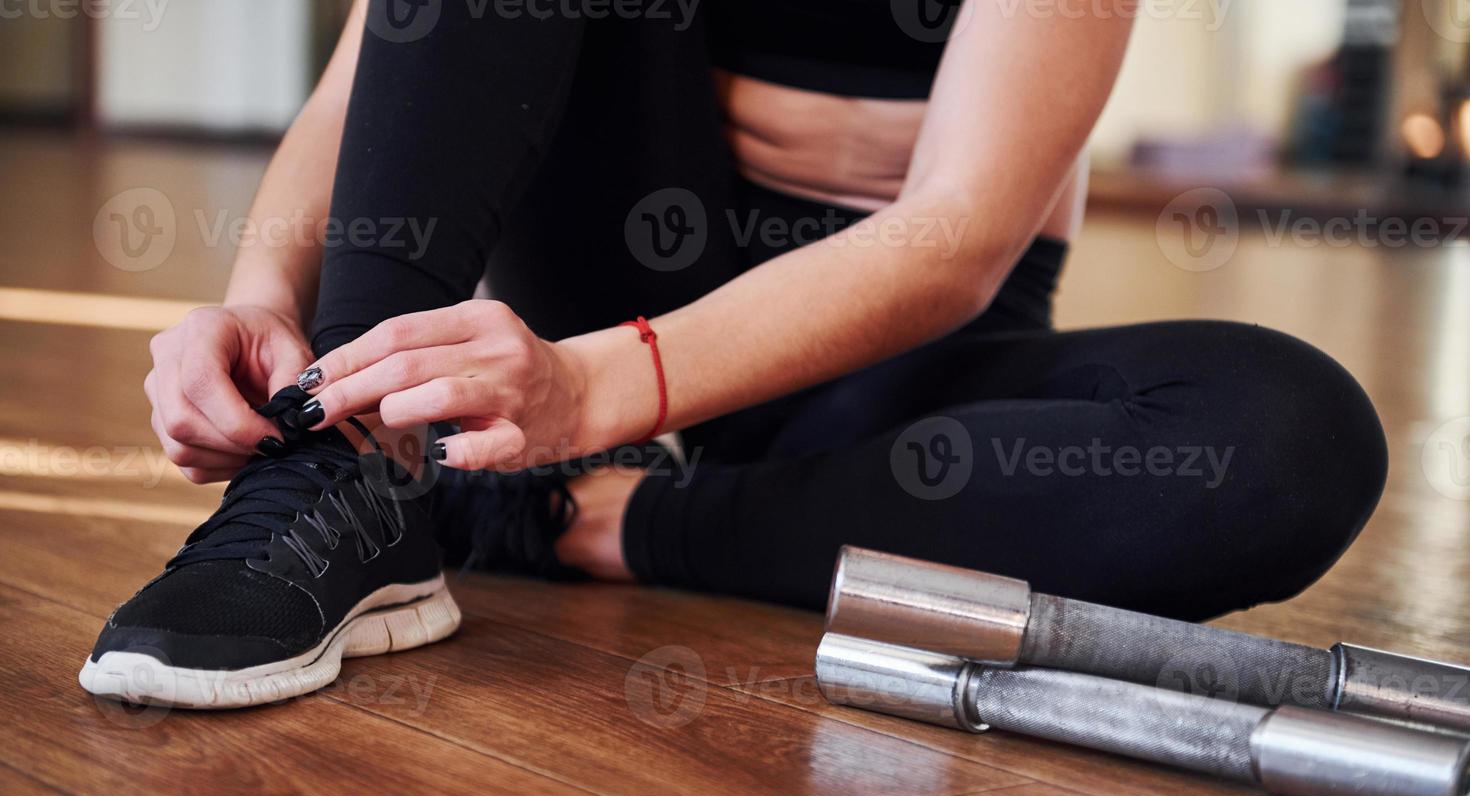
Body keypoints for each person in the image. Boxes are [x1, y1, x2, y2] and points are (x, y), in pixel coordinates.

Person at [80, 0, 1388, 709]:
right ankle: (351, 471)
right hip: (593, 298)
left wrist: (584, 395)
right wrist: (265, 299)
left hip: (872, 383)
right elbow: (376, 65)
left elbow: (950, 242)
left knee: (1286, 440)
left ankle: (581, 520)